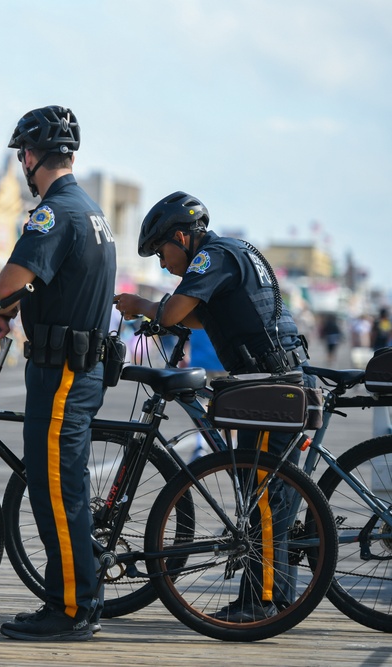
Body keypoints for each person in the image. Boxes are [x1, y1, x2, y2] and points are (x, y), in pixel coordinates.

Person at [114, 190, 312, 622]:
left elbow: (173, 313)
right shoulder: (232, 251)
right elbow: (201, 317)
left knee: (260, 492)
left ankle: (257, 604)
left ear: (183, 238)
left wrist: (141, 306)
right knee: (271, 494)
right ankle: (275, 596)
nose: (162, 263)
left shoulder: (213, 256)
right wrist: (162, 312)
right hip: (275, 376)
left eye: (161, 252)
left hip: (269, 382)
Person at [0, 105, 116, 641]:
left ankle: (72, 608)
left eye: (23, 156)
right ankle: (75, 597)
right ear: (72, 156)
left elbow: (9, 281)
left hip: (61, 372)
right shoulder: (91, 210)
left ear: (30, 157)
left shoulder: (54, 214)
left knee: (58, 491)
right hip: (81, 367)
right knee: (65, 486)